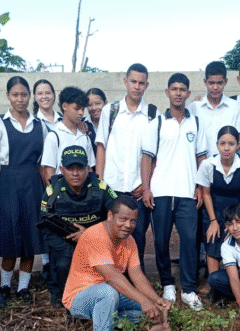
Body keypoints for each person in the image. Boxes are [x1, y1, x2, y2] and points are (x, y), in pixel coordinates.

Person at [63, 196, 172, 331]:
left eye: (133, 221)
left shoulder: (129, 241)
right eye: (123, 219)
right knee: (109, 292)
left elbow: (137, 275)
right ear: (110, 216)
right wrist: (143, 300)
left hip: (110, 294)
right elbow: (112, 277)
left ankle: (103, 322)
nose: (128, 225)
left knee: (151, 312)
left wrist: (155, 300)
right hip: (79, 299)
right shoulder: (95, 236)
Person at [141, 73, 208, 311]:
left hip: (188, 193)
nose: (178, 93)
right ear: (167, 92)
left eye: (182, 89)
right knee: (161, 241)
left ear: (188, 93)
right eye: (174, 89)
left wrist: (200, 187)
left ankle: (188, 289)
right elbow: (147, 158)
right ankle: (168, 284)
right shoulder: (157, 123)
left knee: (189, 241)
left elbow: (202, 158)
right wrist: (147, 188)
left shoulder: (196, 123)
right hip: (161, 192)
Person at [0, 76, 46, 307]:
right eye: (15, 95)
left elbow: (42, 163)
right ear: (8, 96)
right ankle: (4, 285)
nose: (20, 99)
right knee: (9, 236)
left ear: (29, 96)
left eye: (24, 94)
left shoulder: (39, 124)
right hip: (8, 183)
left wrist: (46, 192)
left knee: (30, 238)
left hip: (32, 183)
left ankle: (23, 287)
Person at [95, 63, 157, 265]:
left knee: (137, 239)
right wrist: (100, 183)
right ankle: (109, 278)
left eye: (141, 83)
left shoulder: (152, 114)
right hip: (112, 189)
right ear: (125, 81)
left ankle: (135, 279)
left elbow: (154, 156)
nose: (137, 86)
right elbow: (101, 147)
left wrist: (146, 185)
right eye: (133, 81)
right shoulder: (110, 111)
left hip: (137, 191)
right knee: (110, 238)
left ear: (147, 85)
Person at [40, 145, 117, 306]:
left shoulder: (100, 188)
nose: (75, 173)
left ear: (88, 169)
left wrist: (88, 235)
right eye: (70, 168)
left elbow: (117, 218)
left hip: (96, 242)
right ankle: (64, 295)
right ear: (62, 169)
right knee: (63, 264)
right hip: (65, 245)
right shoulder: (52, 192)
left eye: (80, 168)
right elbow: (45, 229)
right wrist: (72, 251)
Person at [197, 126, 240, 276]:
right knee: (213, 243)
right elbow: (206, 194)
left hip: (237, 210)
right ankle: (214, 283)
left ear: (238, 145)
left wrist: (236, 220)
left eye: (231, 144)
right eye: (222, 143)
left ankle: (234, 282)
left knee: (236, 245)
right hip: (214, 210)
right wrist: (213, 221)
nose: (226, 148)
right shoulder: (208, 164)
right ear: (217, 144)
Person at [188, 61, 240, 155]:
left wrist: (223, 160)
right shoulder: (194, 107)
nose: (215, 87)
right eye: (211, 83)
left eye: (219, 83)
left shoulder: (235, 107)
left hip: (227, 163)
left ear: (225, 82)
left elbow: (238, 143)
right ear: (205, 82)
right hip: (200, 162)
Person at [40, 86, 95, 184]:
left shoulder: (85, 137)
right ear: (64, 106)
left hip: (83, 192)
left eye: (83, 109)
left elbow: (89, 169)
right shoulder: (54, 136)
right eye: (77, 109)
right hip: (61, 191)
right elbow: (49, 173)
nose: (81, 113)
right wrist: (53, 192)